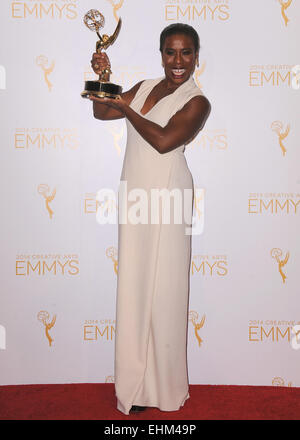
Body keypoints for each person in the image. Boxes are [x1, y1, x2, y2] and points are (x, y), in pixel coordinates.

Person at [89, 23, 211, 415]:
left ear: (196, 56)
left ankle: (165, 387)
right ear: (161, 54)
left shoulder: (198, 102)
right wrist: (103, 77)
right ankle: (136, 385)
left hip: (169, 194)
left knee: (166, 289)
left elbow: (162, 141)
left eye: (186, 52)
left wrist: (124, 106)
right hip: (137, 191)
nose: (178, 61)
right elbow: (100, 111)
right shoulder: (142, 87)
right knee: (136, 284)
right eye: (171, 52)